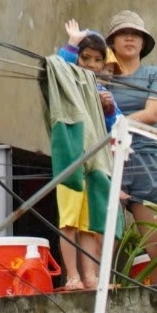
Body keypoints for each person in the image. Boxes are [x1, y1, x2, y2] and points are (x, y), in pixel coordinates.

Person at [99, 11, 157, 269]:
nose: (129, 37)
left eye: (136, 34)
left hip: (146, 159)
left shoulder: (156, 73)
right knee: (103, 247)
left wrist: (116, 120)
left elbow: (153, 113)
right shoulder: (99, 77)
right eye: (122, 33)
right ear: (111, 42)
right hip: (107, 158)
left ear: (144, 42)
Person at [41, 35, 114, 291]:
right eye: (86, 58)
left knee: (90, 224)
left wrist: (108, 108)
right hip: (71, 157)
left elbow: (112, 122)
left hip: (95, 159)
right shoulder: (66, 81)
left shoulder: (100, 89)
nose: (92, 65)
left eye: (97, 60)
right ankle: (72, 276)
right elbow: (58, 65)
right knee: (69, 223)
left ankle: (91, 276)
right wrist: (71, 45)